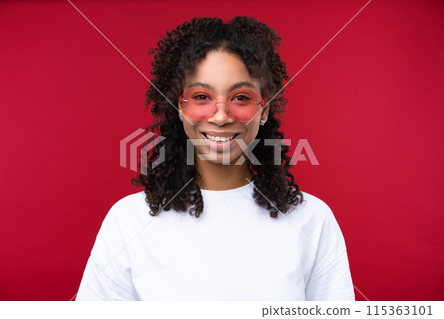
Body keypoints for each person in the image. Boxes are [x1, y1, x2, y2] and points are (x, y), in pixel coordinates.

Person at [76, 16, 355, 301]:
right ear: (179, 106)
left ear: (265, 108)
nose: (221, 116)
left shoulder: (312, 220)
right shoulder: (129, 221)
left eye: (241, 98)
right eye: (201, 96)